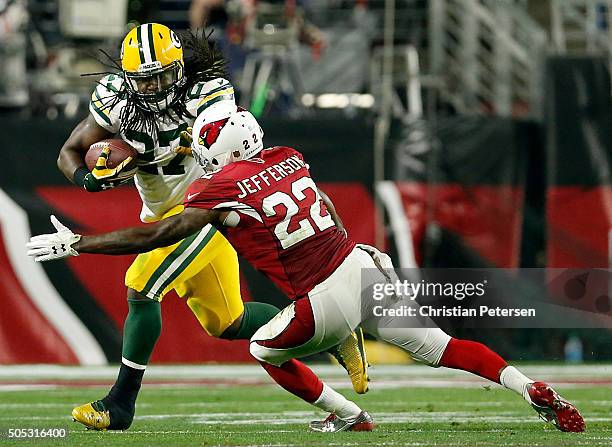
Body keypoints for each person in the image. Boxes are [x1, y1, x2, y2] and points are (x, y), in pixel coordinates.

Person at [30, 103, 585, 433]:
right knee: (443, 347)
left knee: (263, 348)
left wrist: (80, 243)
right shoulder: (288, 155)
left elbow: (155, 233)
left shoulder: (221, 185)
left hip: (323, 297)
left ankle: (347, 414)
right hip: (362, 263)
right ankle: (529, 386)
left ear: (220, 146)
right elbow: (326, 210)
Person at [54, 22, 368, 431]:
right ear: (129, 79)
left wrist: (162, 149)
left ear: (179, 68)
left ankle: (120, 404)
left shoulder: (207, 93)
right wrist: (87, 179)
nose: (154, 88)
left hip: (205, 210)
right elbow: (70, 151)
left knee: (143, 286)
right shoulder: (114, 97)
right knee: (228, 323)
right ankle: (331, 336)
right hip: (159, 212)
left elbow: (233, 147)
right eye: (144, 81)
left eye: (163, 76)